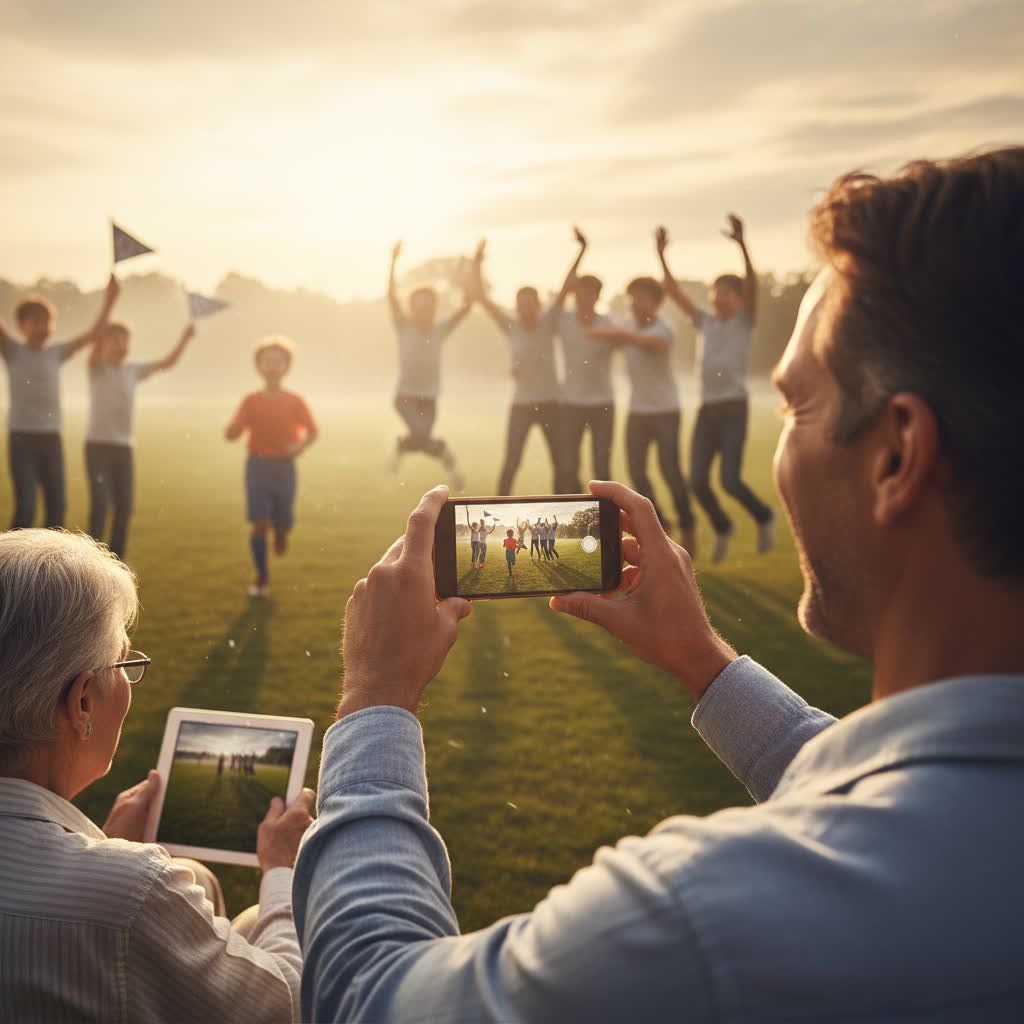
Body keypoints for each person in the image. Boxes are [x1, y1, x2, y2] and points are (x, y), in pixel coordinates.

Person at [293, 148, 1024, 1021]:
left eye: (795, 407)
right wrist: (702, 662)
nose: (785, 440)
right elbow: (906, 798)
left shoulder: (702, 921)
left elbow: (367, 998)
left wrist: (374, 700)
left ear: (897, 455)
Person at [0, 529, 315, 1021]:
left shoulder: (127, 885)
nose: (128, 680)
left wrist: (102, 845)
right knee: (258, 919)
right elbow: (289, 1005)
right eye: (124, 662)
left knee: (201, 880)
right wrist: (283, 871)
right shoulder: (134, 894)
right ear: (82, 700)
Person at [657, 216, 775, 563]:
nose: (718, 296)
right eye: (715, 291)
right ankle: (723, 525)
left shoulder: (744, 321)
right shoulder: (706, 322)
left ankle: (764, 515)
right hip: (707, 409)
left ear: (738, 299)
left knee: (729, 481)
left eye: (726, 292)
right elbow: (674, 293)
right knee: (696, 481)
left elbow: (753, 284)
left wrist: (741, 244)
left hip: (734, 407)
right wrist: (661, 254)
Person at [0, 274, 120, 529]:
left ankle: (47, 569)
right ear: (21, 326)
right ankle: (9, 567)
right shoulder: (12, 350)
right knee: (27, 508)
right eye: (36, 322)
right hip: (22, 439)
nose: (44, 327)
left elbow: (93, 334)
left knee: (57, 509)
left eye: (47, 322)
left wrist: (110, 301)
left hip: (52, 439)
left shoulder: (56, 352)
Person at [589, 276, 697, 554]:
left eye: (641, 297)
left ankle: (688, 526)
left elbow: (653, 344)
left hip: (665, 410)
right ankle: (662, 524)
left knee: (670, 471)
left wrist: (617, 336)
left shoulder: (664, 328)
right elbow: (615, 341)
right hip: (637, 410)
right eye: (632, 297)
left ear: (656, 302)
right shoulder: (626, 327)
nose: (635, 303)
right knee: (637, 473)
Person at [475, 229, 587, 495]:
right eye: (521, 304)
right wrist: (477, 261)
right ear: (516, 305)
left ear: (538, 305)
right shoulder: (510, 325)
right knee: (512, 461)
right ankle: (499, 507)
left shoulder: (547, 322)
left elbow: (564, 287)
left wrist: (581, 250)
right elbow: (481, 297)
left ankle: (565, 505)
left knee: (561, 463)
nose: (525, 308)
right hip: (521, 404)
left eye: (530, 303)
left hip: (550, 402)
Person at [85, 319, 196, 559]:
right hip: (97, 446)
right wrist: (110, 304)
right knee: (101, 506)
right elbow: (95, 348)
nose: (121, 345)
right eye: (114, 339)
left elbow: (166, 363)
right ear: (102, 343)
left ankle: (116, 563)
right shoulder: (97, 367)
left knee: (124, 508)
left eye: (125, 340)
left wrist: (184, 339)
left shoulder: (132, 370)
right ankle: (90, 563)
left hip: (124, 447)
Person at [226, 337, 318, 598]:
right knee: (259, 523)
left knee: (283, 524)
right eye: (267, 360)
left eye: (278, 361)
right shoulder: (251, 401)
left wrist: (299, 447)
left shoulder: (295, 401)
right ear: (258, 366)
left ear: (287, 366)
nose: (272, 365)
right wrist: (231, 432)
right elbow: (236, 429)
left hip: (285, 468)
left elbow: (312, 432)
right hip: (257, 466)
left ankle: (281, 531)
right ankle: (262, 577)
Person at [386, 240, 481, 491]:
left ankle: (402, 445)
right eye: (418, 302)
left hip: (429, 397)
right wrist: (393, 261)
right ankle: (450, 462)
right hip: (404, 396)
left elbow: (467, 306)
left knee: (420, 440)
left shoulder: (440, 329)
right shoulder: (403, 326)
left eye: (428, 303)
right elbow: (391, 297)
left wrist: (475, 266)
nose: (423, 307)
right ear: (412, 306)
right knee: (421, 435)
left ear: (434, 306)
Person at [558, 272, 618, 491]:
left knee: (602, 468)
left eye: (589, 295)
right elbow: (560, 295)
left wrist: (609, 335)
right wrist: (580, 251)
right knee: (568, 466)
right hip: (571, 404)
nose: (583, 300)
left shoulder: (608, 323)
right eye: (579, 295)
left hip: (602, 403)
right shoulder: (564, 321)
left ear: (597, 297)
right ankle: (576, 513)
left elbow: (624, 343)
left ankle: (606, 519)